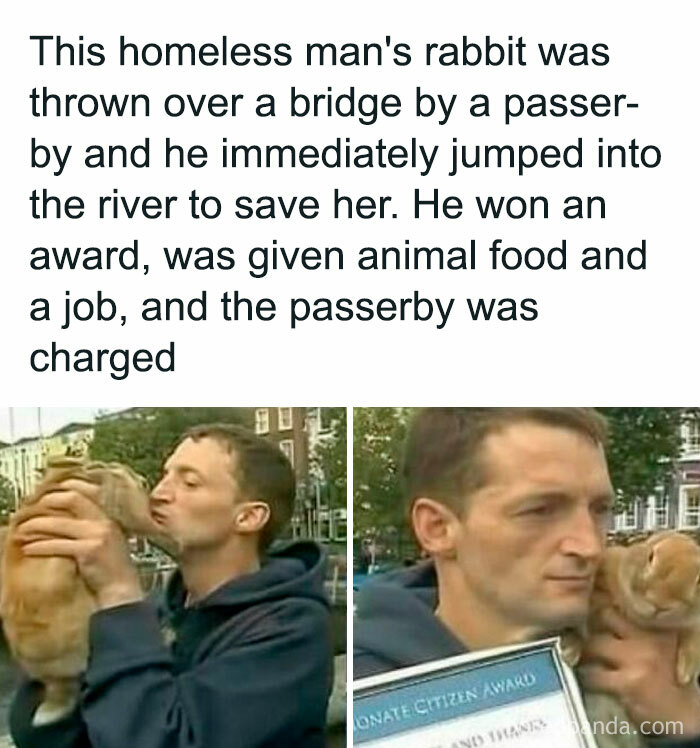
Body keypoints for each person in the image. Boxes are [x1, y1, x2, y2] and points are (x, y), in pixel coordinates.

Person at [354, 408, 700, 746]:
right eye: (540, 510)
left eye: (599, 510)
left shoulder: (671, 672)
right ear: (437, 528)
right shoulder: (355, 703)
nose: (590, 545)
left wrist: (683, 727)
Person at [9, 423, 333, 748]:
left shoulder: (291, 630)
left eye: (189, 482)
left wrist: (118, 592)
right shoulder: (158, 614)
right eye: (166, 475)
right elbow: (48, 735)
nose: (159, 493)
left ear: (248, 518)